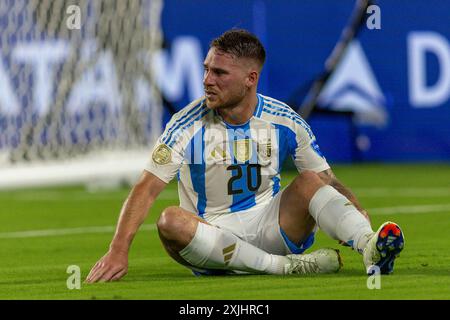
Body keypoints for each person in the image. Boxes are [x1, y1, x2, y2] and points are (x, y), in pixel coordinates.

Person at [86, 29, 404, 282]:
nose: (207, 80)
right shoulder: (185, 124)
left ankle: (370, 249)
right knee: (170, 220)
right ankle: (284, 268)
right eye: (206, 69)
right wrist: (117, 250)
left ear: (250, 79)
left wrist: (358, 216)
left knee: (309, 180)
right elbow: (146, 187)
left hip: (272, 226)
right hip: (212, 240)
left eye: (219, 73)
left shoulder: (285, 120)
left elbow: (325, 179)